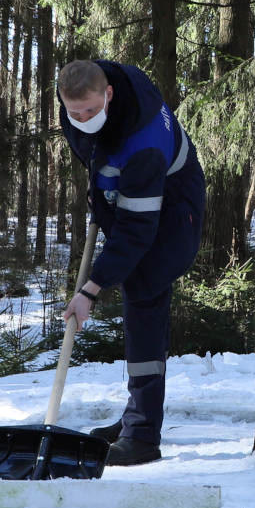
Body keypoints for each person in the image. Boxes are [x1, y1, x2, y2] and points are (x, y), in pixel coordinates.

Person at [56, 58, 206, 466]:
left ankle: (142, 436)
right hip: (130, 199)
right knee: (136, 292)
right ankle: (133, 419)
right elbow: (96, 154)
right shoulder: (76, 100)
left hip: (174, 211)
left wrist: (91, 288)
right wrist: (101, 202)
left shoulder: (144, 143)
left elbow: (137, 231)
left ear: (109, 94)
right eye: (74, 112)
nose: (82, 118)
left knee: (143, 293)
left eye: (90, 110)